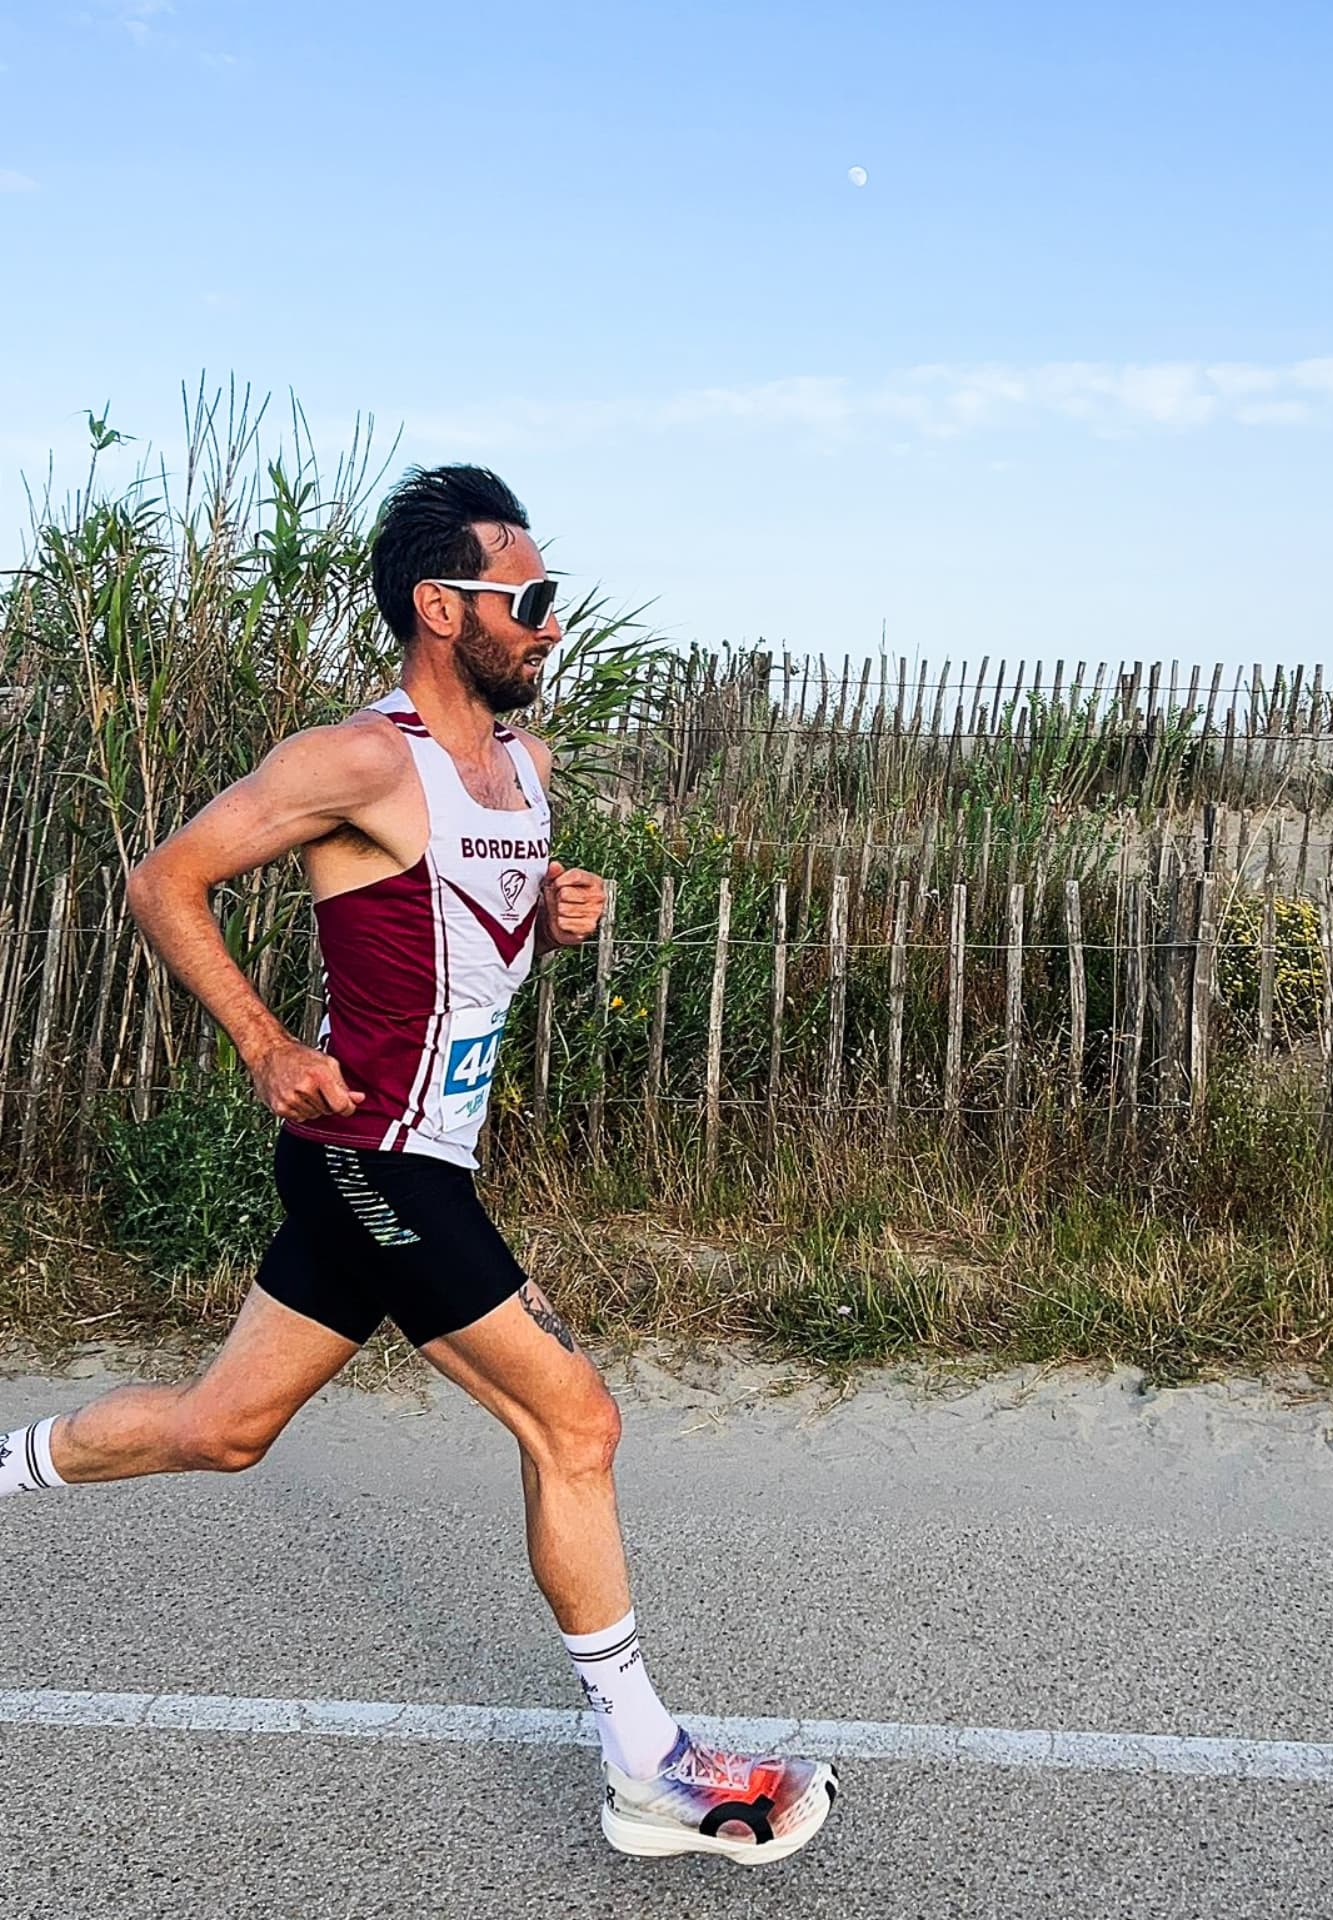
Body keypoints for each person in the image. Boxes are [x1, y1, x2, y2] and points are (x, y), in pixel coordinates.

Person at [0, 465, 837, 1865]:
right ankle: (650, 1768)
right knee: (575, 1422)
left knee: (224, 1431)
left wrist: (552, 923)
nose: (554, 624)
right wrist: (268, 1043)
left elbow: (466, 945)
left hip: (415, 1155)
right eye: (532, 599)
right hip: (372, 1157)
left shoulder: (525, 770)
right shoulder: (357, 760)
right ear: (443, 607)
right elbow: (165, 880)